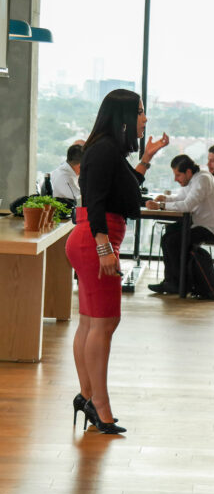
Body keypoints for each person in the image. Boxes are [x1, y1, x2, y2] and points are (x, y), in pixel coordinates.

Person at [66, 89, 169, 434]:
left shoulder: (106, 150)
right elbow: (95, 201)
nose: (145, 118)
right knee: (104, 325)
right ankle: (99, 405)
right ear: (123, 115)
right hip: (97, 237)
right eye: (140, 112)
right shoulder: (103, 150)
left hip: (96, 237)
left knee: (91, 323)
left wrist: (147, 158)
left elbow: (123, 193)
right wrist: (103, 248)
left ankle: (87, 396)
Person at [146, 154, 214, 294]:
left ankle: (178, 285)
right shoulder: (194, 178)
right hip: (204, 225)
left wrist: (161, 205)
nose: (175, 179)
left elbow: (187, 205)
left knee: (173, 241)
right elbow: (182, 197)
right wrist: (166, 199)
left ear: (188, 172)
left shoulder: (202, 179)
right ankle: (173, 282)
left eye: (178, 175)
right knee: (168, 236)